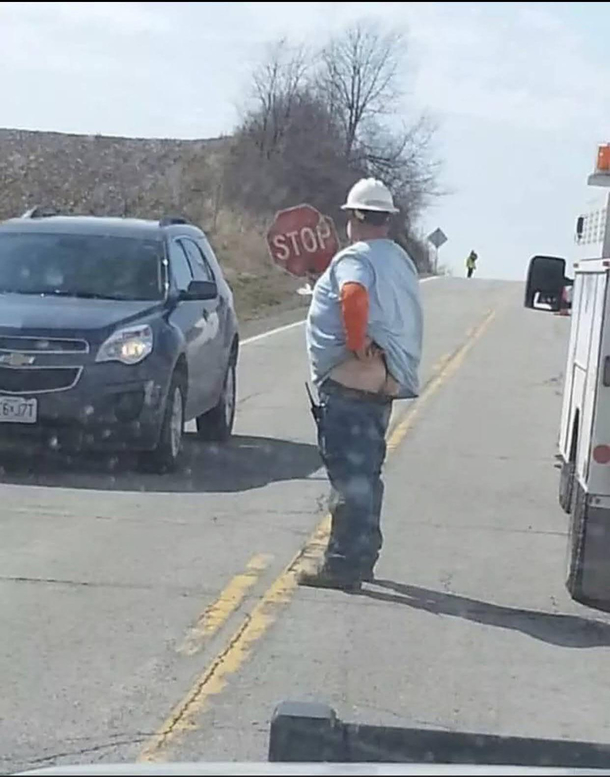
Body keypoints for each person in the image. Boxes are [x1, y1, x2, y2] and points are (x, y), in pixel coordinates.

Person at [300, 178, 423, 591]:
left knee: (350, 478)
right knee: (367, 474)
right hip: (382, 383)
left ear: (354, 217)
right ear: (386, 219)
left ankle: (343, 563)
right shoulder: (400, 260)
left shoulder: (356, 257)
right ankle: (362, 554)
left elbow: (353, 295)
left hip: (353, 383)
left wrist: (355, 342)